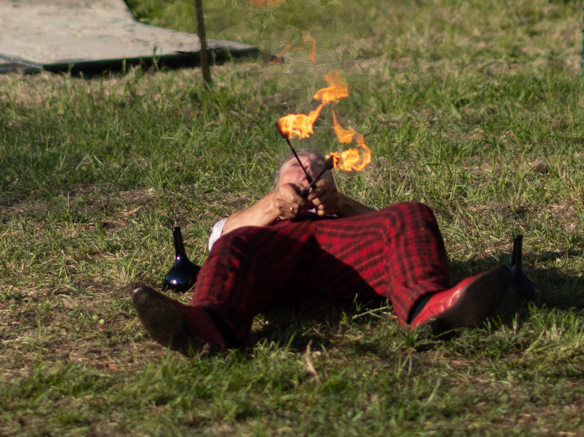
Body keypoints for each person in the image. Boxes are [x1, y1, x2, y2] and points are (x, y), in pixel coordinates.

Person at [131, 150, 511, 356]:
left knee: (413, 212)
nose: (308, 170)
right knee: (236, 242)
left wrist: (342, 205)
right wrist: (273, 205)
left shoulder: (343, 209)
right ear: (278, 182)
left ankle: (429, 309)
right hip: (275, 260)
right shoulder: (257, 216)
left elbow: (396, 230)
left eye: (318, 168)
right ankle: (206, 327)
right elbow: (221, 240)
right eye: (296, 166)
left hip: (345, 257)